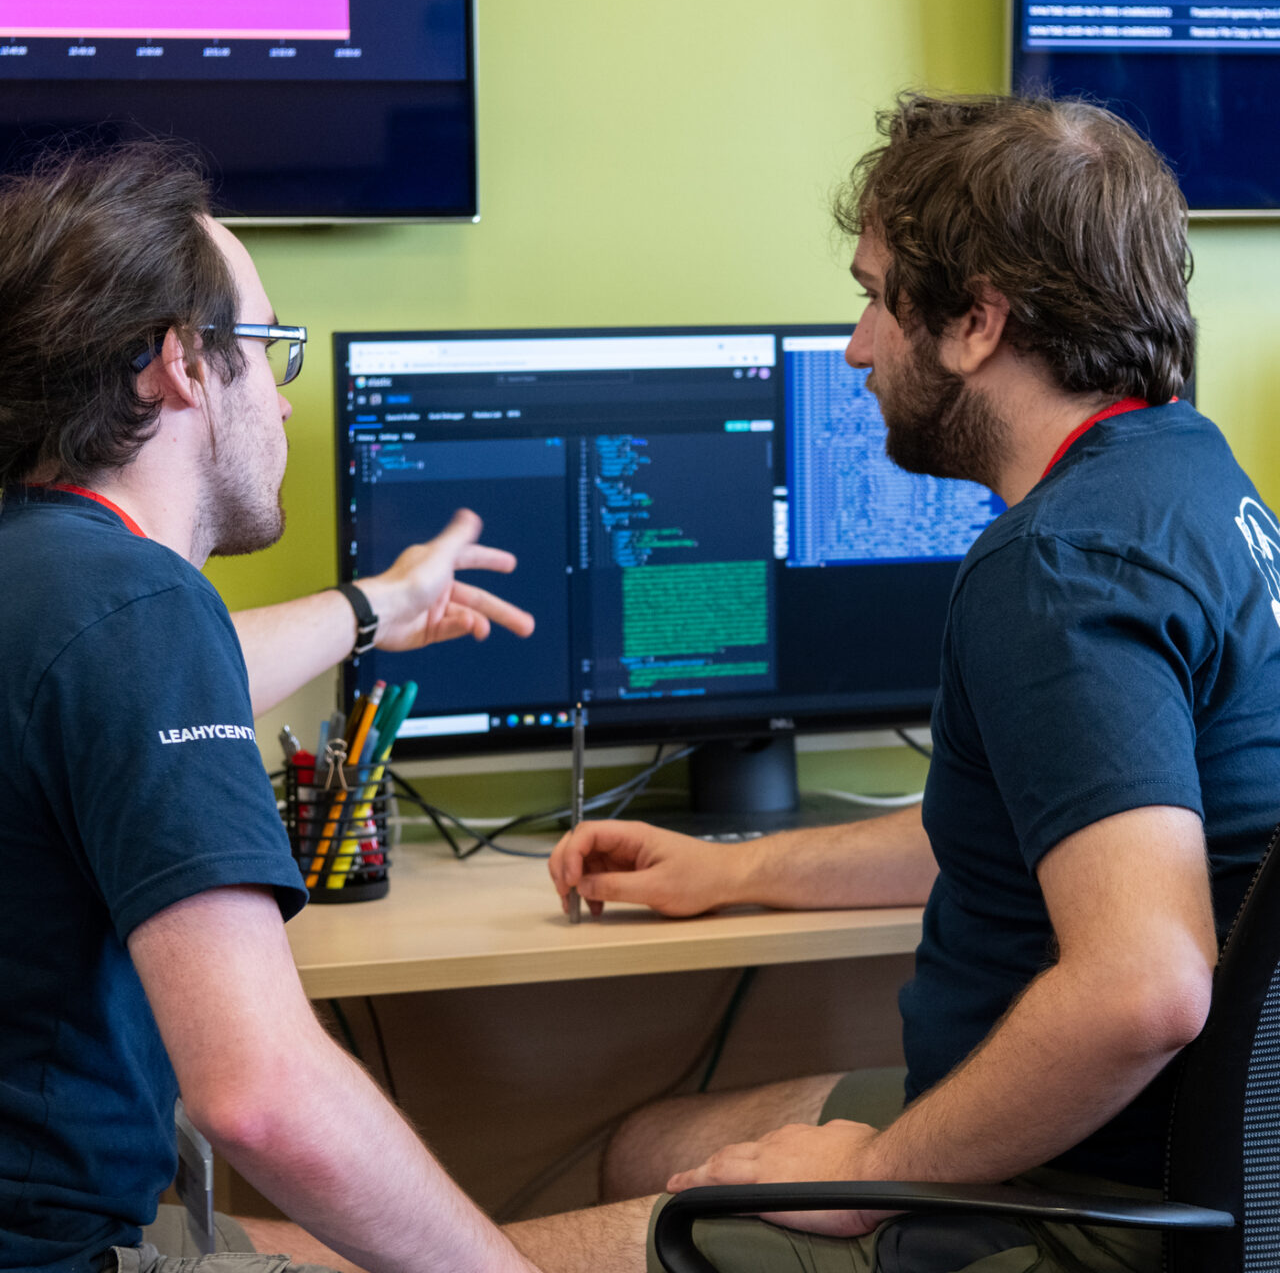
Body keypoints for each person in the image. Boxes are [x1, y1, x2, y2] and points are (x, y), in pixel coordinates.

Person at [505, 93, 1280, 1273]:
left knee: (443, 1250)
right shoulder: (1190, 478)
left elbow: (1144, 984)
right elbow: (1065, 822)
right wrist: (731, 871)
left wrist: (871, 1172)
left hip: (1083, 1195)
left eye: (874, 297)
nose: (857, 345)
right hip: (1184, 1157)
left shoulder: (1056, 566)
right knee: (652, 1139)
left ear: (976, 320)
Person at [0, 141, 540, 1273]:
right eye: (269, 349)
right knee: (590, 1241)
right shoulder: (136, 600)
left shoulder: (45, 576)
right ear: (178, 366)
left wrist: (377, 603)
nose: (286, 404)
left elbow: (123, 694)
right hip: (57, 1251)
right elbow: (262, 1100)